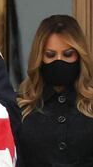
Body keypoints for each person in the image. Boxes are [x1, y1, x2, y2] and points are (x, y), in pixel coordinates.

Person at [17, 15, 93, 167]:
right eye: (50, 55)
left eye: (68, 54)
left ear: (79, 56)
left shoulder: (90, 105)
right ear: (39, 57)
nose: (59, 60)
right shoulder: (21, 107)